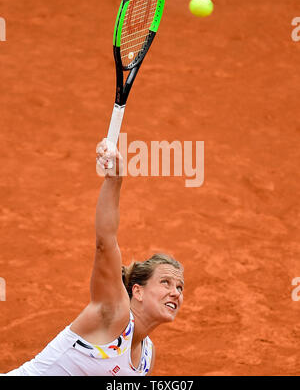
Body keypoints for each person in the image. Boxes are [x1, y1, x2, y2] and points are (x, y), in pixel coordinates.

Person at [4, 139, 184, 376]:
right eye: (165, 283)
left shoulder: (146, 357)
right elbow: (105, 244)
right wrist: (114, 181)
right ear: (137, 291)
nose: (176, 293)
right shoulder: (114, 313)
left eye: (180, 287)